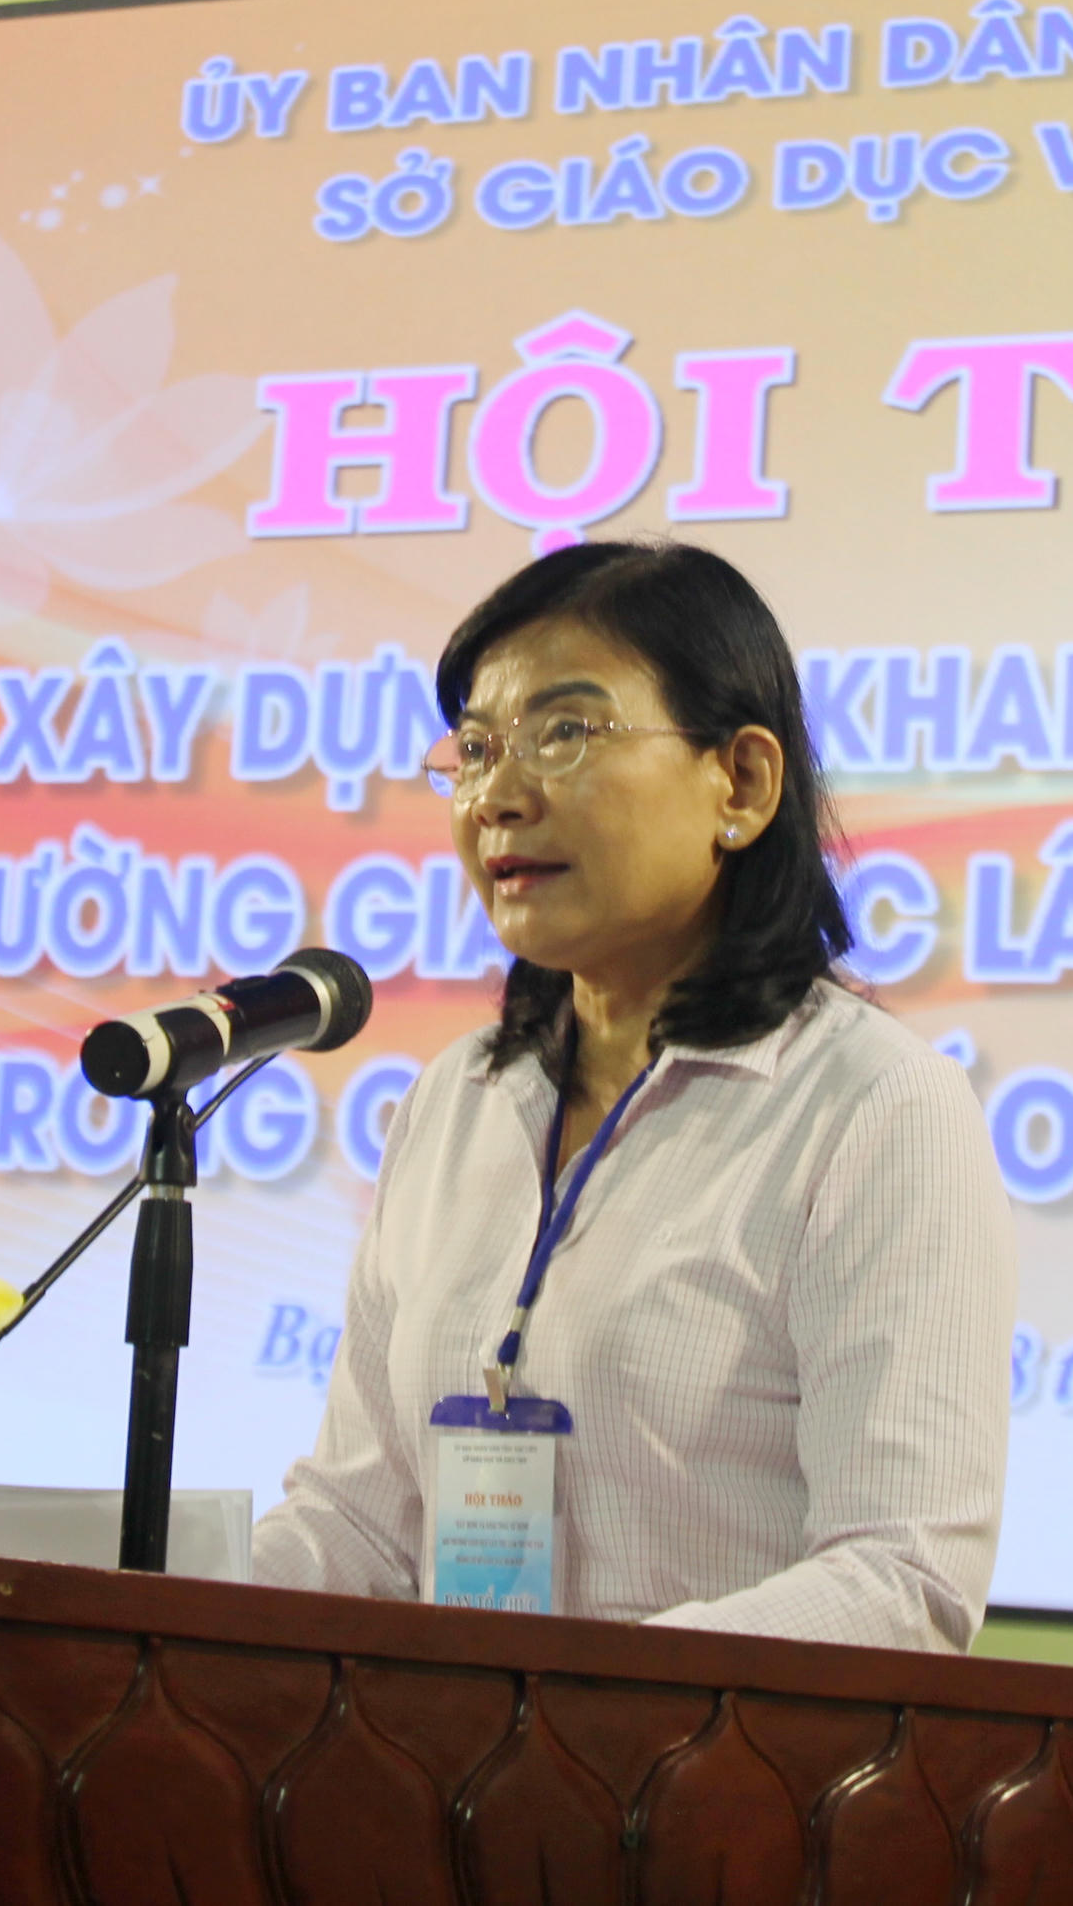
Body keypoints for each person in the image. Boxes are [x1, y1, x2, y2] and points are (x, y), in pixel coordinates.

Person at [250, 540, 1015, 1652]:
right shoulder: (459, 1099)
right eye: (476, 750)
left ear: (741, 783)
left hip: (701, 1761)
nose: (498, 796)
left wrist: (592, 1701)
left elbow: (905, 1577)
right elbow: (359, 1525)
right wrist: (138, 1611)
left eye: (566, 732)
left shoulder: (875, 1110)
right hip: (449, 1751)